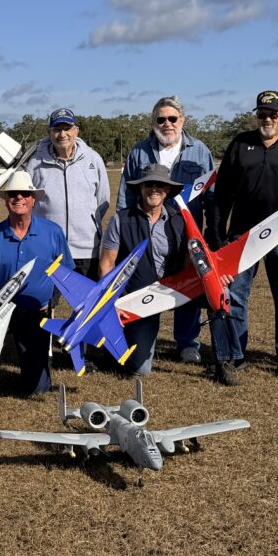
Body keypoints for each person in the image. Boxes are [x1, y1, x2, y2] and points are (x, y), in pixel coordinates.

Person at [206, 90, 278, 377]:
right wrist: (220, 239)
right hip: (242, 238)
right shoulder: (240, 144)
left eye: (273, 114)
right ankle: (235, 355)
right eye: (261, 114)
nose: (267, 119)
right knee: (235, 296)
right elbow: (221, 197)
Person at [99, 166, 241, 384]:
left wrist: (215, 278)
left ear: (167, 190)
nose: (154, 189)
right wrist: (109, 302)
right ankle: (118, 344)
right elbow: (107, 263)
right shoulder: (122, 219)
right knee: (140, 369)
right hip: (138, 294)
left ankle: (225, 361)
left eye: (160, 185)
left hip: (174, 288)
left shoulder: (180, 220)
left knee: (222, 294)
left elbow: (192, 260)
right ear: (140, 188)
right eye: (148, 184)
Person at [117, 96, 215, 364]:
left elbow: (210, 195)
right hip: (145, 229)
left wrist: (210, 234)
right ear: (153, 122)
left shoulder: (200, 151)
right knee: (143, 282)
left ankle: (187, 342)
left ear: (182, 120)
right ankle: (140, 333)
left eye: (173, 118)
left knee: (187, 284)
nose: (167, 123)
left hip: (186, 232)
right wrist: (124, 230)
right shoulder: (139, 151)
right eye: (161, 119)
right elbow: (126, 194)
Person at [0, 171, 72, 396]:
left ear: (33, 200)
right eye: (13, 194)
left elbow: (67, 273)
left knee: (36, 390)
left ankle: (38, 367)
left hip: (38, 310)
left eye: (25, 194)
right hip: (3, 310)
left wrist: (55, 302)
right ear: (5, 199)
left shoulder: (52, 232)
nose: (19, 198)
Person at [24, 108, 110, 278]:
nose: (62, 134)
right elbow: (28, 202)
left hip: (86, 248)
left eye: (67, 129)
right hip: (48, 247)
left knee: (87, 302)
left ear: (76, 131)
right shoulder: (35, 162)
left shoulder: (93, 159)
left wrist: (88, 222)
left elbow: (103, 200)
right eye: (57, 129)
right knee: (47, 303)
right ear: (49, 133)